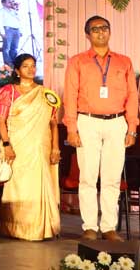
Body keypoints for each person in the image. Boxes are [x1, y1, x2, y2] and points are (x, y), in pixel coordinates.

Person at [64, 16, 138, 242]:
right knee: (87, 177)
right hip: (87, 121)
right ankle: (89, 227)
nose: (100, 32)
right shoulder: (78, 61)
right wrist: (71, 128)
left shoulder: (124, 62)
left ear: (110, 31)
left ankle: (108, 227)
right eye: (95, 29)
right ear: (87, 35)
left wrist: (132, 128)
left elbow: (132, 96)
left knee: (112, 178)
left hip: (117, 122)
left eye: (104, 28)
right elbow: (70, 95)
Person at [0, 53, 61, 241]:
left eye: (33, 65)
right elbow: (1, 122)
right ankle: (17, 228)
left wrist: (55, 147)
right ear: (17, 71)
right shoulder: (8, 91)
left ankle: (41, 228)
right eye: (25, 66)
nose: (31, 69)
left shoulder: (45, 93)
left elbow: (53, 123)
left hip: (40, 146)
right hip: (17, 146)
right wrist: (7, 145)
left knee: (38, 185)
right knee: (18, 186)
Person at [0, 0, 23, 66]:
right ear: (3, 3)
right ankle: (8, 62)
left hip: (16, 30)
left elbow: (19, 20)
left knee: (14, 47)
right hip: (8, 30)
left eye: (11, 2)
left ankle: (13, 61)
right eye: (9, 2)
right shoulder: (0, 12)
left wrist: (20, 30)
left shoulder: (13, 11)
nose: (11, 3)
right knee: (7, 48)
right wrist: (2, 32)